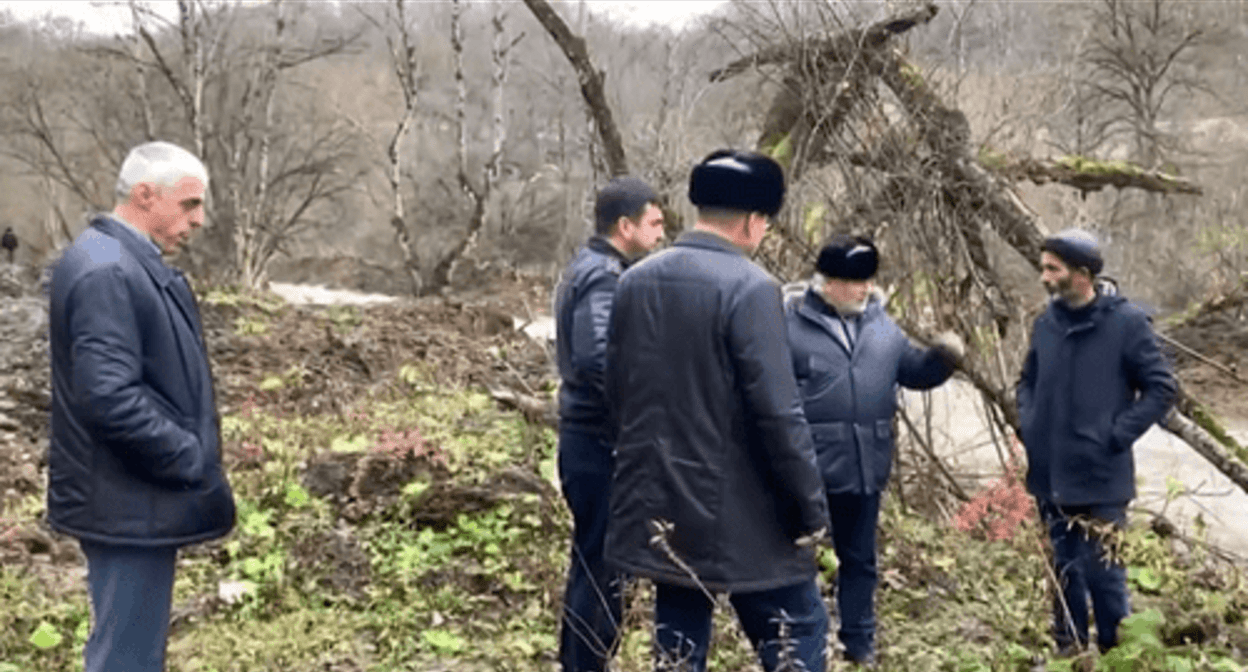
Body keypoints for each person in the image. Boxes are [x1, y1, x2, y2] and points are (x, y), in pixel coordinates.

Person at [603, 149, 830, 672]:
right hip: (748, 514)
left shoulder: (634, 281)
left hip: (663, 505)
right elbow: (778, 413)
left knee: (679, 649)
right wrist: (811, 510)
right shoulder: (752, 289)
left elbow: (617, 393)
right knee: (797, 638)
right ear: (753, 221)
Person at [47, 141, 235, 672]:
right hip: (126, 502)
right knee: (125, 659)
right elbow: (108, 396)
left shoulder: (122, 261)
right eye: (190, 205)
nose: (199, 220)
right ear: (145, 195)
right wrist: (188, 455)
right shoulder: (108, 271)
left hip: (130, 497)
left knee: (131, 652)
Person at [785, 234, 963, 667]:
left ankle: (859, 641)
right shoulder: (789, 326)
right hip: (806, 470)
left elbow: (913, 372)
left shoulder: (882, 326)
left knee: (860, 560)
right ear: (826, 282)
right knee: (796, 561)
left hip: (866, 464)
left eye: (867, 280)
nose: (864, 288)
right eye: (853, 281)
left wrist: (944, 358)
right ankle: (797, 641)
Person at [1017, 228, 1176, 654]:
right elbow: (1026, 382)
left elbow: (1161, 388)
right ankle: (1068, 653)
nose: (1044, 276)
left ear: (1082, 274)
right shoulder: (1046, 323)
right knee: (1063, 571)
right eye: (1044, 267)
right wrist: (1029, 424)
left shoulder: (1125, 324)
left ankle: (1114, 655)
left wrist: (1116, 435)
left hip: (1102, 477)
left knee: (1105, 576)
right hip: (1050, 474)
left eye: (1053, 268)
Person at [553, 175, 666, 672]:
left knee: (593, 564)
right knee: (605, 570)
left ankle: (578, 662)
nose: (662, 233)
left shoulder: (591, 267)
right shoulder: (604, 276)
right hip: (600, 445)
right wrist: (638, 420)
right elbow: (597, 360)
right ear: (626, 226)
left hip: (589, 441)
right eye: (655, 222)